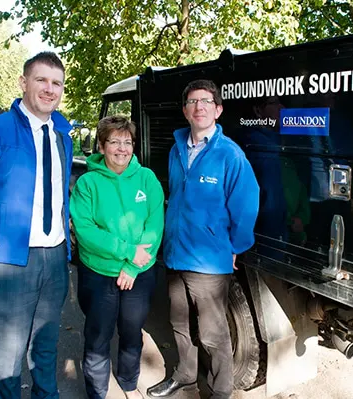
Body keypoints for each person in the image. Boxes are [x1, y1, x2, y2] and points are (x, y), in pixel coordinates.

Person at [0, 52, 73, 398]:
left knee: (46, 346)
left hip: (53, 259)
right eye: (41, 80)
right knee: (9, 351)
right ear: (23, 83)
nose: (49, 89)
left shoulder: (62, 133)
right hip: (8, 264)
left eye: (56, 83)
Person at [147, 80, 259, 399]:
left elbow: (246, 203)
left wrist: (235, 247)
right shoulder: (177, 147)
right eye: (193, 102)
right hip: (175, 254)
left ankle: (220, 392)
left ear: (218, 109)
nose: (199, 107)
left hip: (208, 261)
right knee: (180, 324)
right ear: (185, 111)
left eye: (206, 101)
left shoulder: (229, 155)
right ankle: (184, 375)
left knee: (213, 335)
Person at [70, 116, 164, 399]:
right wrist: (127, 252)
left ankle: (127, 382)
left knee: (132, 332)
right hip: (98, 275)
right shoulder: (88, 183)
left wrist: (132, 267)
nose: (122, 149)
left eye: (127, 142)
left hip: (138, 272)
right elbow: (86, 231)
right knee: (98, 336)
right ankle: (97, 392)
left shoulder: (147, 179)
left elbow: (154, 226)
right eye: (114, 142)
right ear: (101, 145)